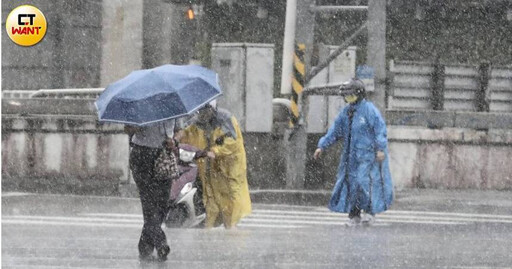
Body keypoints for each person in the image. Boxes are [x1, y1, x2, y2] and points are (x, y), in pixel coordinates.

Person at [313, 79, 393, 226]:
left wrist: (380, 149)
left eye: (350, 95)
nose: (347, 99)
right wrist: (322, 145)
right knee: (351, 185)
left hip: (367, 156)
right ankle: (354, 214)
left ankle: (369, 212)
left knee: (365, 183)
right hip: (350, 157)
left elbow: (379, 130)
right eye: (346, 96)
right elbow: (335, 131)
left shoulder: (369, 110)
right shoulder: (346, 112)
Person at [176, 102, 252, 229]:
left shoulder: (226, 118)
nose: (202, 116)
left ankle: (230, 226)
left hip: (229, 167)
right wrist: (177, 140)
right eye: (199, 113)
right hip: (210, 167)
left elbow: (233, 142)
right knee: (211, 196)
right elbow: (187, 135)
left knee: (231, 197)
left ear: (211, 110)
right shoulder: (196, 122)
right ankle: (209, 227)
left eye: (204, 112)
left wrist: (216, 151)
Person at [125, 119, 177, 261]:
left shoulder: (172, 104)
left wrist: (173, 140)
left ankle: (145, 246)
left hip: (164, 155)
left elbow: (178, 130)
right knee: (149, 203)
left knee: (162, 204)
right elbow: (128, 128)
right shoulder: (140, 104)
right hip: (142, 155)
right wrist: (136, 125)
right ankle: (160, 242)